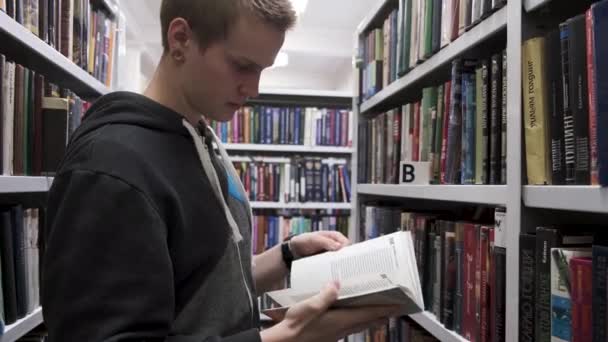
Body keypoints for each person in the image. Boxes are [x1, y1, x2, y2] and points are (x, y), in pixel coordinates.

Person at [41, 0, 399, 341]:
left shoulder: (203, 137)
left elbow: (204, 284)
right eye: (243, 66)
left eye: (262, 70)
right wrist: (288, 338)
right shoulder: (108, 168)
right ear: (180, 39)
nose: (255, 89)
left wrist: (286, 255)